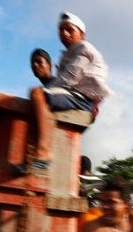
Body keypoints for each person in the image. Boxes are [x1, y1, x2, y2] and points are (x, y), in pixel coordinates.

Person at [18, 11, 111, 174]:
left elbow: (69, 80)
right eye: (61, 30)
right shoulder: (68, 55)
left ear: (82, 34)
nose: (64, 34)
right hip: (79, 97)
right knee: (39, 99)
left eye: (69, 30)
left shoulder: (83, 48)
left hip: (81, 99)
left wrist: (45, 91)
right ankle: (34, 156)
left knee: (37, 94)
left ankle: (44, 154)